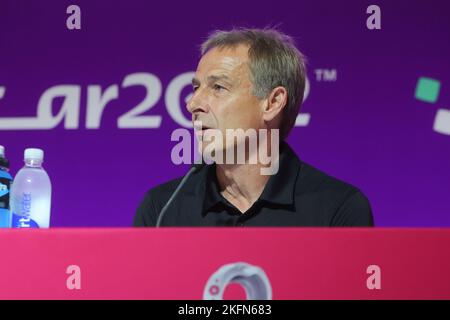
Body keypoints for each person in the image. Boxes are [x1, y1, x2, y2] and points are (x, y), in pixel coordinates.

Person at [134, 28, 374, 227]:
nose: (192, 103)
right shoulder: (161, 210)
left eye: (218, 87)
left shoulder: (338, 209)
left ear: (272, 102)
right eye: (196, 88)